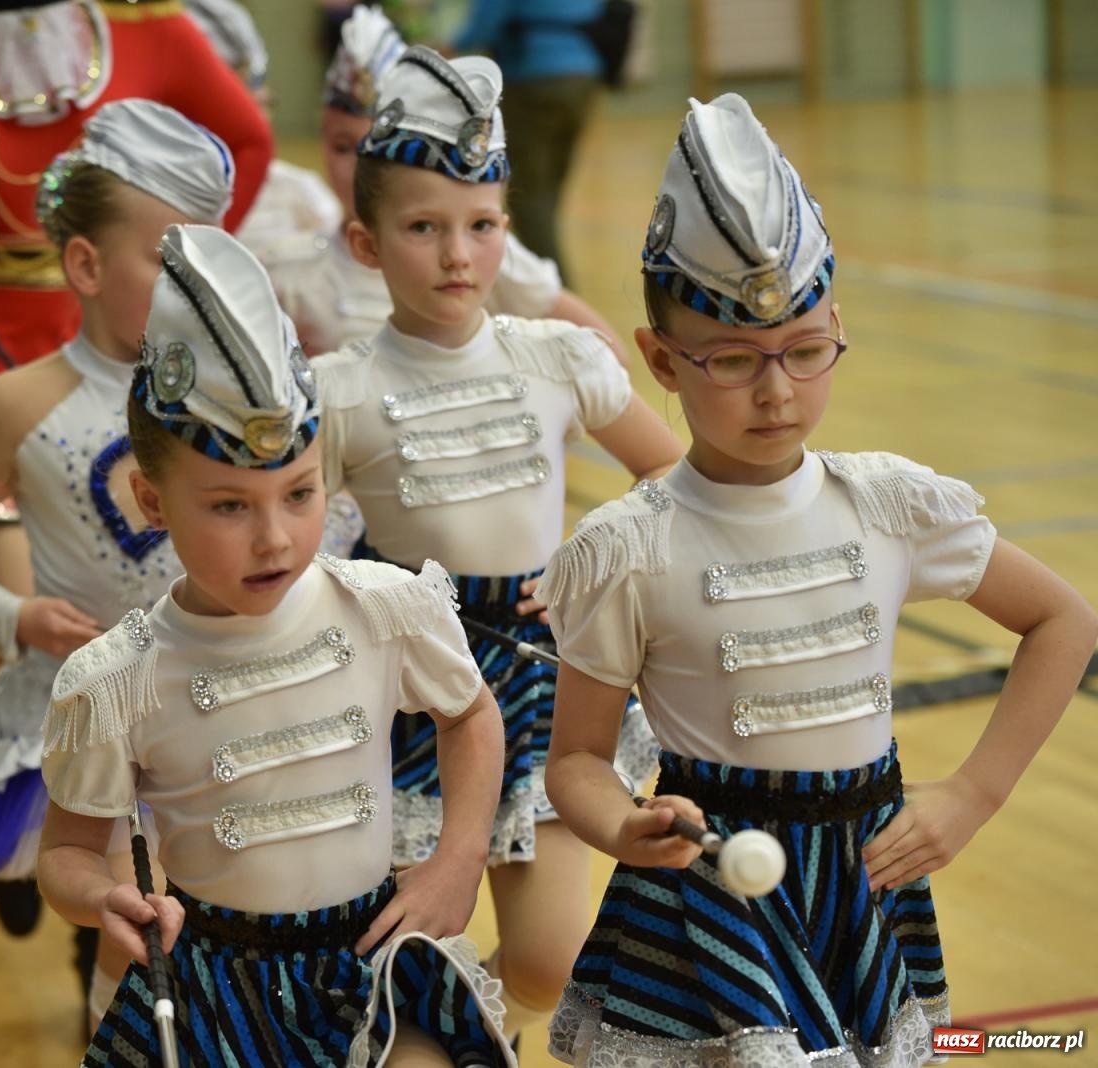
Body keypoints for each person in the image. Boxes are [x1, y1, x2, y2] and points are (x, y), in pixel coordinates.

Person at [538, 93, 1098, 1065]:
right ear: (659, 360)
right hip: (709, 890)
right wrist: (624, 828)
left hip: (865, 887)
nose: (776, 390)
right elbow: (577, 762)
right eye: (733, 360)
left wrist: (970, 795)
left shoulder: (886, 508)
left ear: (837, 325)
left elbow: (1063, 620)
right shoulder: (630, 548)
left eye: (805, 351)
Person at [39, 223, 514, 1067]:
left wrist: (458, 853)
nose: (275, 539)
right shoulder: (119, 679)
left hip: (373, 957)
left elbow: (470, 713)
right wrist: (103, 896)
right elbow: (68, 850)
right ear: (152, 501)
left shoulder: (387, 609)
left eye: (299, 494)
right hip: (222, 986)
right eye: (228, 506)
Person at [0, 0, 274, 852]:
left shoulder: (151, 24)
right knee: (9, 588)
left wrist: (192, 264)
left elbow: (249, 141)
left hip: (135, 337)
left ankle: (91, 835)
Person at [310, 46, 681, 1047]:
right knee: (410, 953)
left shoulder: (552, 359)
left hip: (540, 679)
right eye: (422, 228)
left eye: (478, 227)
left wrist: (594, 569)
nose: (455, 254)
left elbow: (675, 483)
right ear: (366, 241)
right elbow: (289, 534)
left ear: (504, 234)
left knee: (547, 957)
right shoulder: (336, 390)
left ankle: (507, 1031)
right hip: (409, 691)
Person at [0, 100, 230, 977]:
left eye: (207, 260)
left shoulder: (227, 396)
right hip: (78, 712)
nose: (192, 284)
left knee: (177, 927)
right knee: (131, 938)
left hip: (204, 702)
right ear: (84, 263)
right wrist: (15, 618)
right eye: (164, 260)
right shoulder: (17, 404)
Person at [255, 5, 626, 364]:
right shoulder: (290, 275)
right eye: (341, 146)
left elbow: (606, 354)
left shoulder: (485, 257)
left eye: (372, 149)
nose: (356, 168)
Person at [451, 0, 605, 284]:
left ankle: (552, 293)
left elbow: (484, 24)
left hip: (533, 78)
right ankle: (548, 280)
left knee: (529, 198)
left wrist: (450, 48)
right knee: (547, 192)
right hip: (583, 76)